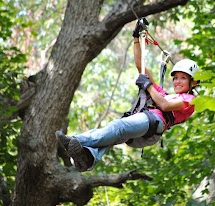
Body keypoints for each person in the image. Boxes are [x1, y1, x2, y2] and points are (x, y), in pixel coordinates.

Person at [56, 19, 200, 171]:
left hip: (152, 123)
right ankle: (88, 158)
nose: (177, 81)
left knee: (118, 127)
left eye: (183, 78)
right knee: (113, 136)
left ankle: (76, 140)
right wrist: (136, 38)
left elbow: (164, 105)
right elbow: (141, 66)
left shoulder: (190, 100)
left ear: (194, 82)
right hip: (144, 127)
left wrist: (149, 86)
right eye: (175, 77)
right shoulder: (165, 93)